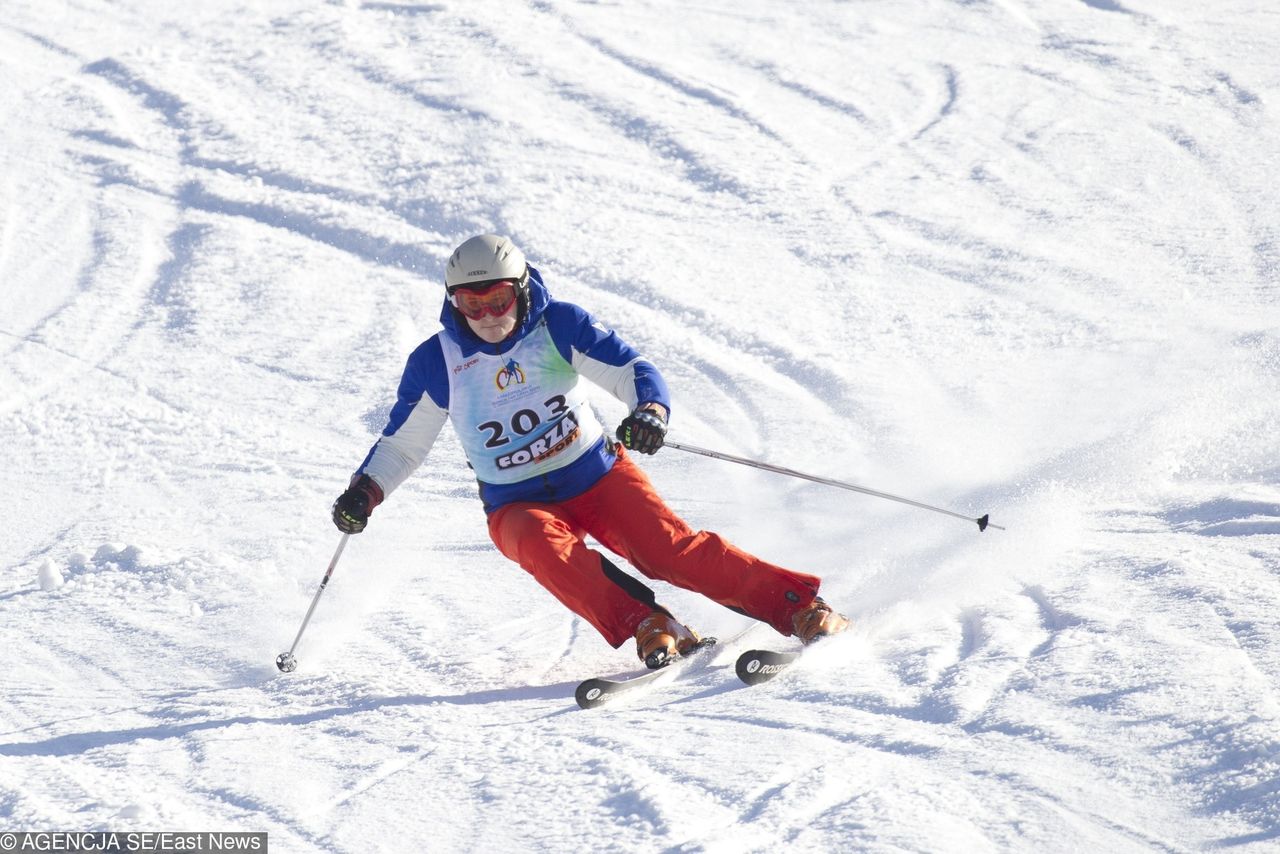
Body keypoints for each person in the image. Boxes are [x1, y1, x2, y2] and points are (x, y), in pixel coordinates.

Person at [332, 234, 849, 668]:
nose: (488, 316)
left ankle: (800, 608)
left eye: (499, 301)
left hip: (597, 474)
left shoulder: (557, 326)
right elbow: (402, 444)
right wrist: (365, 493)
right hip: (516, 502)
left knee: (666, 551)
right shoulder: (436, 362)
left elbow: (632, 370)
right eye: (473, 304)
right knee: (541, 546)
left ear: (522, 290)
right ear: (454, 301)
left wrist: (649, 411)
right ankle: (650, 623)